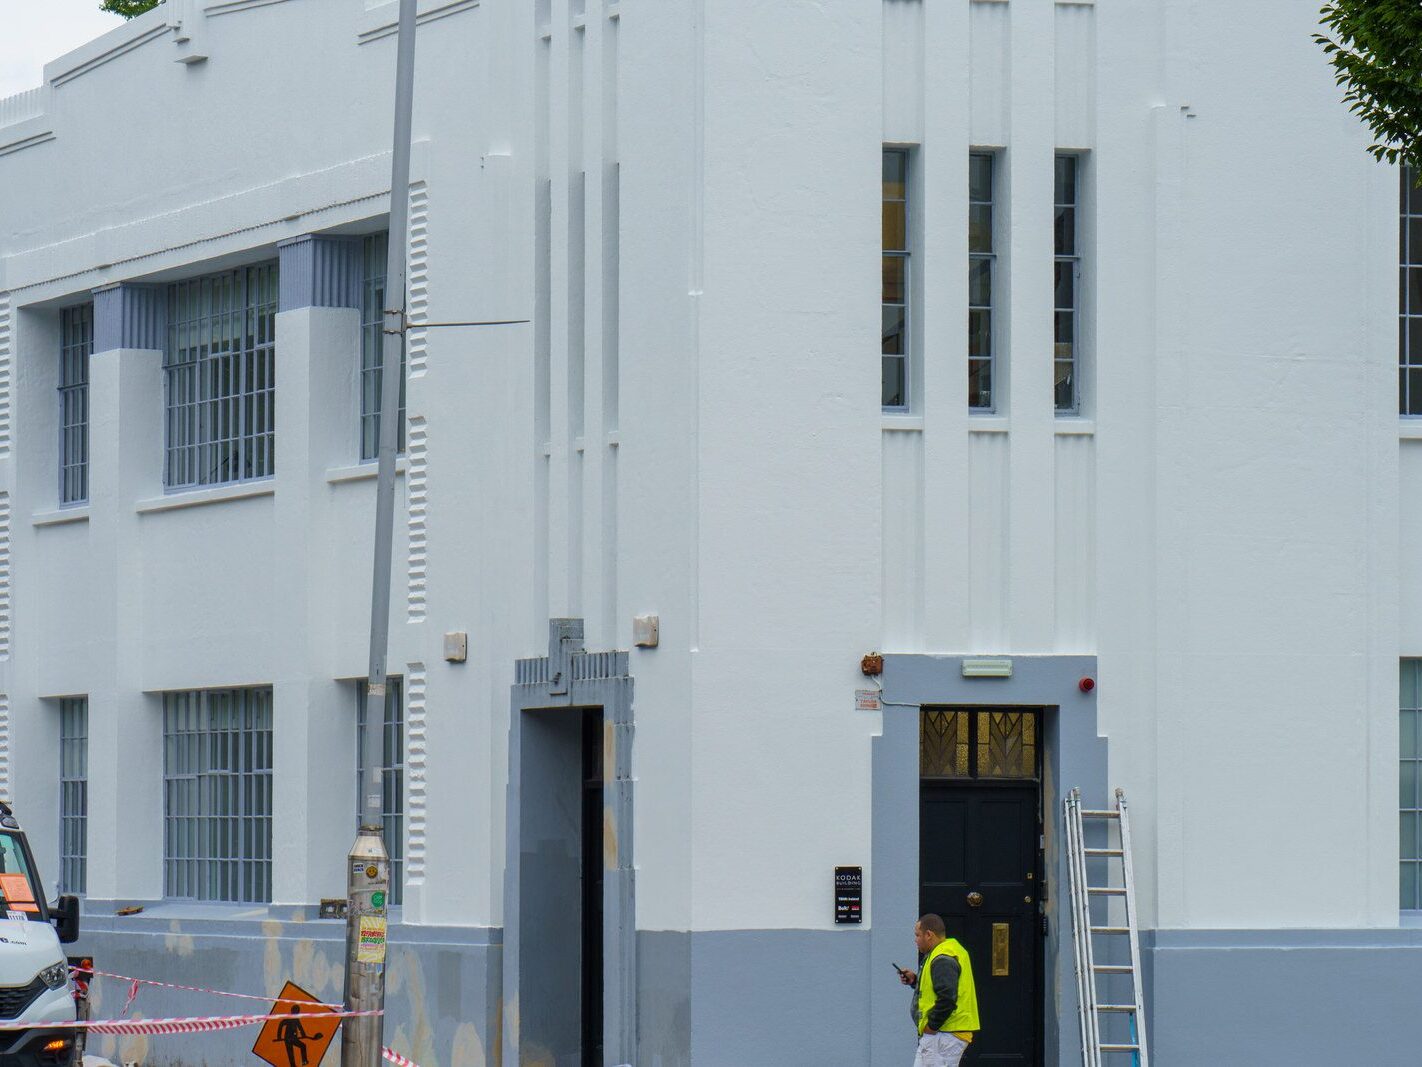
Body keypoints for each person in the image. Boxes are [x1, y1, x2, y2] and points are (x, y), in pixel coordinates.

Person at [897, 913, 980, 1067]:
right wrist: (915, 980)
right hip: (944, 1032)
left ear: (929, 935)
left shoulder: (942, 958)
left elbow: (947, 998)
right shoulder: (944, 952)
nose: (915, 940)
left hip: (944, 1033)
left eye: (917, 935)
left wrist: (931, 1026)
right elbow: (938, 989)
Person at [275, 1003, 322, 1067]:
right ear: (292, 1011)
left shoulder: (296, 1019)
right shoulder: (289, 1019)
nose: (297, 1012)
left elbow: (300, 1028)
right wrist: (279, 1037)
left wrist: (303, 1035)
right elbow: (281, 1025)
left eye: (297, 1011)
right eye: (296, 1011)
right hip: (288, 1039)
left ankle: (304, 1061)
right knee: (290, 1052)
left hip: (293, 1038)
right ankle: (294, 1065)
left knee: (302, 1046)